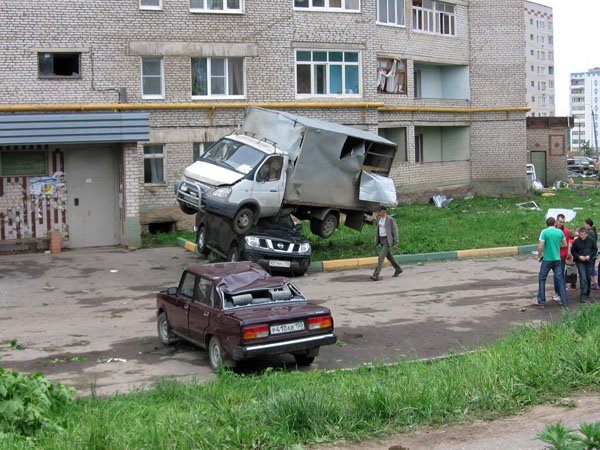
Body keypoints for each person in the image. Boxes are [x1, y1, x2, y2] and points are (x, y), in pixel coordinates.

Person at [536, 216, 568, 307]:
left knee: (542, 279)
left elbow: (540, 246)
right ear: (554, 223)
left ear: (547, 224)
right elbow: (565, 244)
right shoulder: (560, 232)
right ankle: (564, 301)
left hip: (547, 259)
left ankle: (541, 301)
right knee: (560, 279)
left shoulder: (544, 232)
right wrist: (557, 246)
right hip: (557, 259)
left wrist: (539, 256)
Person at [370, 205, 402, 281]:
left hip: (387, 241)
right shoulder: (379, 219)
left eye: (379, 211)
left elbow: (395, 231)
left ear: (384, 211)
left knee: (380, 257)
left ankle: (376, 275)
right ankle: (398, 269)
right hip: (381, 240)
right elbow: (378, 229)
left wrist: (395, 242)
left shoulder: (390, 219)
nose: (378, 213)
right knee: (389, 257)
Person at [570, 226, 597, 303]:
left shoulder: (591, 240)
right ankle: (583, 295)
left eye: (584, 234)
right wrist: (579, 256)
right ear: (579, 234)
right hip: (580, 262)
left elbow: (595, 249)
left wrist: (590, 256)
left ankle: (587, 292)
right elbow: (573, 251)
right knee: (583, 277)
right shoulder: (576, 242)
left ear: (587, 234)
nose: (583, 236)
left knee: (588, 278)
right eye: (581, 234)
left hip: (589, 261)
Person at [551, 214, 570, 302]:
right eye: (560, 222)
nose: (561, 223)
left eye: (563, 222)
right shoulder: (553, 229)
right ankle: (559, 292)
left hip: (561, 256)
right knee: (557, 275)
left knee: (558, 275)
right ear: (556, 221)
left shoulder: (565, 231)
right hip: (552, 256)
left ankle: (559, 293)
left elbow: (565, 244)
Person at [584, 218, 600, 290]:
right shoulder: (592, 231)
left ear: (587, 224)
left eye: (585, 224)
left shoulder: (590, 232)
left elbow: (589, 242)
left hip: (591, 253)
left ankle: (596, 284)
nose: (584, 225)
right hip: (593, 253)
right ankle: (595, 283)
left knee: (592, 268)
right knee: (592, 268)